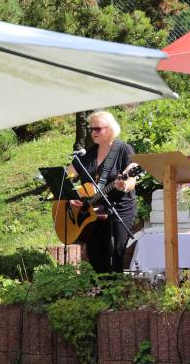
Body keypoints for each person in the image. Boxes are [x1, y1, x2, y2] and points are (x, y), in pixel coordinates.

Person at [66, 111, 138, 273]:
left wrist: (124, 185)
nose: (93, 133)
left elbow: (131, 178)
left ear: (111, 129)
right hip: (93, 213)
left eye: (97, 129)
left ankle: (115, 293)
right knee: (95, 255)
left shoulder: (123, 149)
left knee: (115, 255)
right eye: (91, 129)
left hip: (119, 209)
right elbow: (66, 177)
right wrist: (70, 197)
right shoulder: (88, 154)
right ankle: (100, 291)